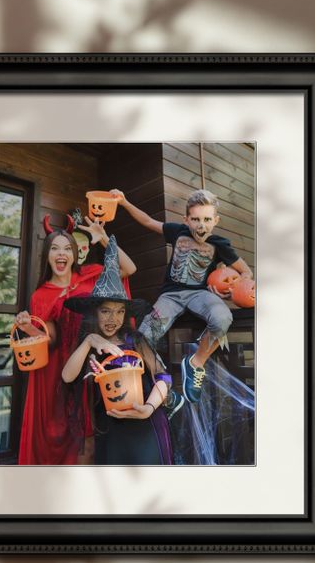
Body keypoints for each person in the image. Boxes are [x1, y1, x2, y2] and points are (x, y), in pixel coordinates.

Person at [13, 215, 137, 465]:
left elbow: (129, 269)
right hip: (61, 369)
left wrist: (103, 238)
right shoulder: (40, 295)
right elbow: (49, 339)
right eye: (55, 248)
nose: (61, 254)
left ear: (75, 254)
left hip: (95, 363)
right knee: (66, 433)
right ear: (47, 255)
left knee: (90, 437)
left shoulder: (91, 275)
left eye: (67, 248)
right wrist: (28, 328)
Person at [112, 187, 252, 404]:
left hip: (201, 295)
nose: (201, 225)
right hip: (171, 296)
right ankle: (163, 381)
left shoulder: (220, 245)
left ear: (216, 220)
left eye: (207, 219)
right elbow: (149, 222)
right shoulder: (178, 232)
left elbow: (246, 272)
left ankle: (196, 363)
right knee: (143, 336)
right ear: (186, 219)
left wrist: (229, 292)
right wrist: (124, 202)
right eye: (195, 219)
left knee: (222, 318)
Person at [59, 237, 174, 465]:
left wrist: (149, 408)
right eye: (106, 312)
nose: (113, 319)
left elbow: (164, 377)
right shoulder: (90, 346)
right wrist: (90, 341)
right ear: (95, 313)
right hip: (110, 430)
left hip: (146, 425)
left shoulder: (135, 340)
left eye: (119, 312)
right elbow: (66, 376)